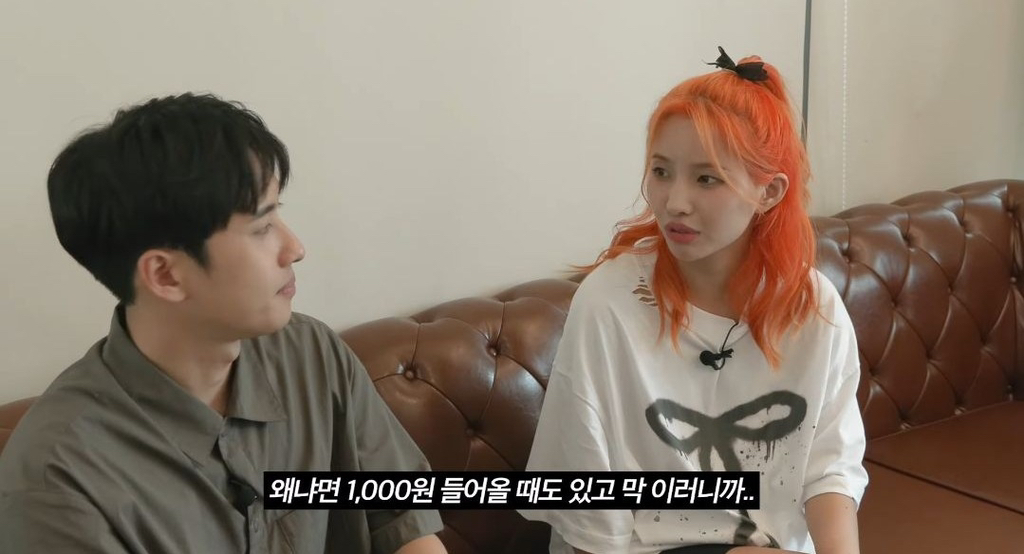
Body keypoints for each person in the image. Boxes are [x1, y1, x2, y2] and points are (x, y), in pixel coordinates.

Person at [0, 93, 447, 554]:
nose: (295, 248)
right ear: (166, 275)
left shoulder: (309, 352)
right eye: (262, 227)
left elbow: (403, 524)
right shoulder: (57, 482)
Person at [520, 48, 868, 554]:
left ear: (769, 192)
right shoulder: (610, 303)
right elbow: (590, 507)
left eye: (707, 179)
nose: (674, 202)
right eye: (661, 172)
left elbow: (830, 468)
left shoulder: (812, 307)